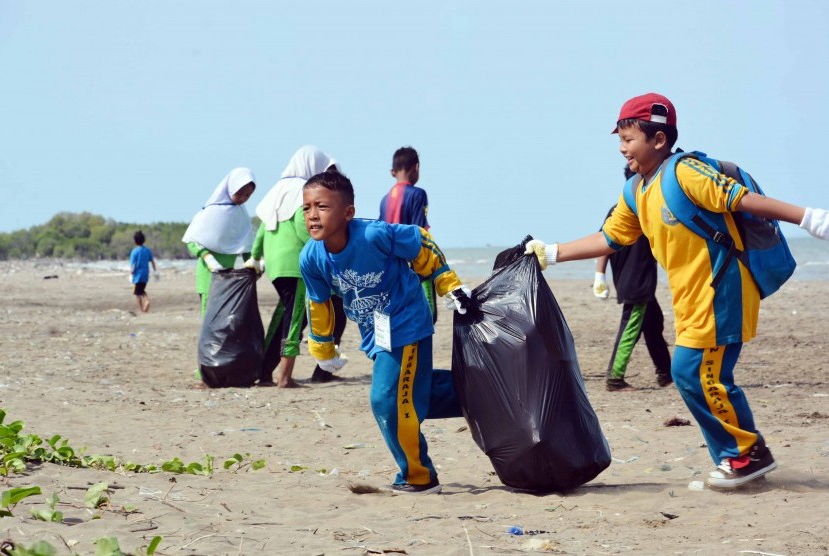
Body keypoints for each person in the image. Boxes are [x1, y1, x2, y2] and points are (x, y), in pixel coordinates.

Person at [525, 92, 829, 489]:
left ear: (658, 139)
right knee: (698, 374)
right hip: (690, 298)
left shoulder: (684, 173)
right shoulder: (637, 190)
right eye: (619, 139)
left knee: (692, 371)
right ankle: (737, 458)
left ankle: (747, 455)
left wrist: (809, 218)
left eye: (629, 139)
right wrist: (551, 252)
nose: (622, 148)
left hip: (721, 289)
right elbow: (610, 238)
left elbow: (744, 200)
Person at [299, 171, 472, 494]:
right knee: (416, 392)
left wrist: (449, 285)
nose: (312, 215)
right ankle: (486, 389)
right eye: (306, 208)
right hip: (374, 334)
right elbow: (319, 304)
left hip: (406, 322)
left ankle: (419, 476)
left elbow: (420, 243)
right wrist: (322, 349)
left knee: (386, 399)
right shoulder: (311, 257)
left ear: (347, 212)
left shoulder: (373, 235)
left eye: (322, 206)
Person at [247, 146, 346, 387]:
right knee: (295, 320)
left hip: (276, 265)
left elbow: (262, 229)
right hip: (296, 266)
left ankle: (264, 371)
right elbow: (306, 230)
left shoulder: (277, 191)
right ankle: (284, 377)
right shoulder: (302, 192)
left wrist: (255, 257)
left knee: (282, 316)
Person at [595, 194, 672, 391]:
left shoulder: (626, 208)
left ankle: (666, 375)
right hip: (637, 284)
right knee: (630, 329)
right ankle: (615, 378)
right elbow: (603, 241)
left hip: (638, 283)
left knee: (654, 324)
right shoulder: (633, 209)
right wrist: (599, 276)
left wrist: (601, 275)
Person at [182, 167, 256, 316]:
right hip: (208, 274)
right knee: (209, 317)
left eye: (248, 195)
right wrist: (208, 258)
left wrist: (253, 262)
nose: (243, 198)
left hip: (228, 277)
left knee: (223, 317)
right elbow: (191, 240)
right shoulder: (211, 212)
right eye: (240, 193)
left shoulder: (242, 214)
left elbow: (246, 244)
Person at [378, 146, 437, 323]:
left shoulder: (385, 199)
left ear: (392, 172)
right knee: (427, 318)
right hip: (415, 268)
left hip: (390, 269)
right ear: (416, 168)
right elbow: (420, 232)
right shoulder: (418, 194)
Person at [129, 230, 157, 313]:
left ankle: (142, 309)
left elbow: (133, 265)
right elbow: (152, 261)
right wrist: (155, 271)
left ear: (135, 241)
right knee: (141, 290)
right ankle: (146, 303)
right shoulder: (147, 250)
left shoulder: (134, 251)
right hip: (145, 274)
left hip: (137, 275)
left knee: (137, 293)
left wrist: (131, 273)